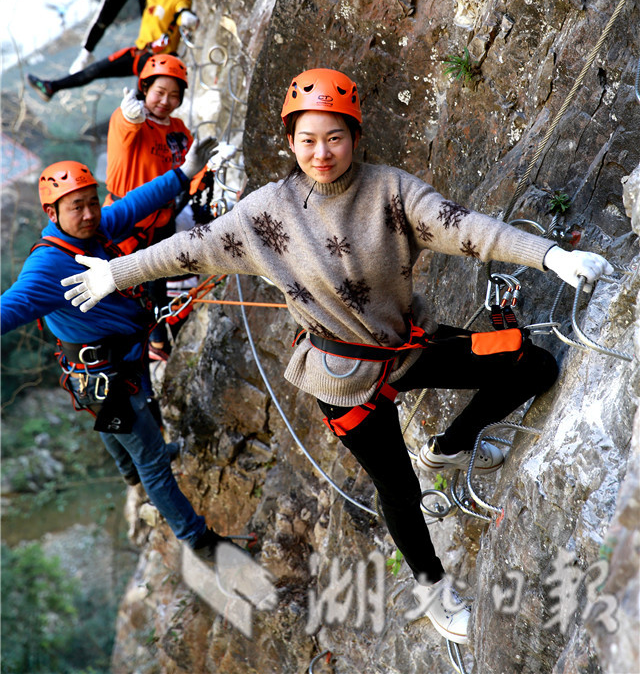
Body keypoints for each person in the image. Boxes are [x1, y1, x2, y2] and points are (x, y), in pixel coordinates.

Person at [60, 67, 614, 644]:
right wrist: (117, 272)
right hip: (342, 377)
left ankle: (448, 447)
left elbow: (465, 228)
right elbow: (190, 248)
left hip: (406, 346)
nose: (320, 153)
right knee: (397, 489)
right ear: (290, 141)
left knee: (533, 364)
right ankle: (431, 588)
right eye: (306, 140)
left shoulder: (390, 192)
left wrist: (550, 257)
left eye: (334, 138)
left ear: (355, 136)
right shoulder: (267, 215)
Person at [0, 149, 227, 560]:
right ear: (52, 213)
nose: (89, 213)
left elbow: (133, 204)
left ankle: (128, 470)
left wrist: (183, 173)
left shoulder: (95, 231)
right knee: (154, 461)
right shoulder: (47, 266)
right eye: (77, 207)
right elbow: (9, 308)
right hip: (110, 379)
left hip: (110, 369)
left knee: (120, 434)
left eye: (91, 202)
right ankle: (200, 542)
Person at [105, 54, 201, 356]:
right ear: (144, 88)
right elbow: (125, 127)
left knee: (156, 281)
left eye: (174, 95)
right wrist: (130, 117)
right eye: (159, 92)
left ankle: (158, 341)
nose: (165, 100)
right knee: (135, 285)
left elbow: (192, 165)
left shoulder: (177, 128)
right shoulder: (131, 120)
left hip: (162, 218)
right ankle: (144, 344)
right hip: (128, 219)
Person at [28, 0, 197, 102]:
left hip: (160, 61)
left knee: (144, 102)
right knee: (94, 70)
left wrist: (186, 16)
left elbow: (181, 10)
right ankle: (52, 87)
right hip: (139, 53)